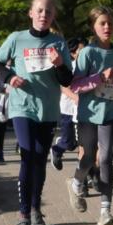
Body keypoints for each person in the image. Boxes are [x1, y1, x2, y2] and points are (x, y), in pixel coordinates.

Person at [0, 0, 72, 225]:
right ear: (30, 13)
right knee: (27, 156)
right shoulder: (16, 39)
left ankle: (36, 208)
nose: (43, 15)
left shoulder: (58, 43)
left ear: (53, 16)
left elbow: (67, 79)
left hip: (47, 109)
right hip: (21, 106)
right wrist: (9, 77)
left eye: (48, 12)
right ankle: (23, 215)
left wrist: (59, 64)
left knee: (39, 158)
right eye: (39, 10)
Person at [68, 7, 113, 225]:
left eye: (110, 23)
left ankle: (105, 211)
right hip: (89, 113)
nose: (107, 27)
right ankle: (76, 181)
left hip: (110, 112)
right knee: (89, 158)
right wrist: (100, 77)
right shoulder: (88, 53)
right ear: (93, 27)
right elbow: (76, 85)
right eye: (102, 23)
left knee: (107, 158)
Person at [50, 37, 85, 172]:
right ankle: (57, 149)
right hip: (68, 109)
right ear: (73, 53)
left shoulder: (87, 66)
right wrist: (76, 97)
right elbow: (63, 87)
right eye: (81, 50)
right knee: (70, 144)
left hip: (81, 111)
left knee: (81, 143)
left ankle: (85, 174)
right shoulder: (71, 66)